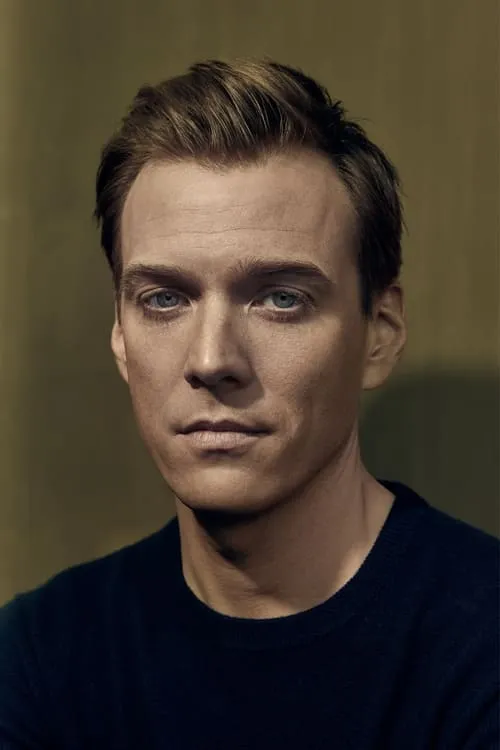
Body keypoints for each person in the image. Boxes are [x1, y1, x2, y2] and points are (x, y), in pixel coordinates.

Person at [0, 58, 498, 749]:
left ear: (379, 335)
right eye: (164, 299)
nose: (211, 360)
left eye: (280, 299)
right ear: (120, 338)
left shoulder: (482, 644)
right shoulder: (39, 652)